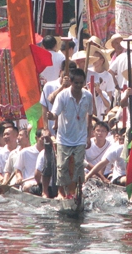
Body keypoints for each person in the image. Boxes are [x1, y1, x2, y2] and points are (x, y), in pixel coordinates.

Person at [49, 68, 93, 199]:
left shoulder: (88, 96)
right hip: (64, 138)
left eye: (81, 83)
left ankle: (77, 192)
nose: (79, 86)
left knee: (79, 164)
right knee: (62, 167)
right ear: (71, 82)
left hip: (80, 137)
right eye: (76, 83)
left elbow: (90, 114)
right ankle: (62, 193)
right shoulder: (62, 96)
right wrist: (50, 116)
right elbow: (54, 113)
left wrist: (89, 135)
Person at [40, 60, 77, 133]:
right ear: (60, 72)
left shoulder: (76, 88)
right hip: (52, 129)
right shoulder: (49, 86)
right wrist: (46, 128)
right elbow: (44, 108)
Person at [14, 128, 45, 192]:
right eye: (43, 138)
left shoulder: (51, 153)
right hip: (30, 183)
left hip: (46, 183)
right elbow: (17, 170)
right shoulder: (25, 152)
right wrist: (19, 177)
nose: (46, 141)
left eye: (48, 138)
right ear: (36, 138)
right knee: (27, 187)